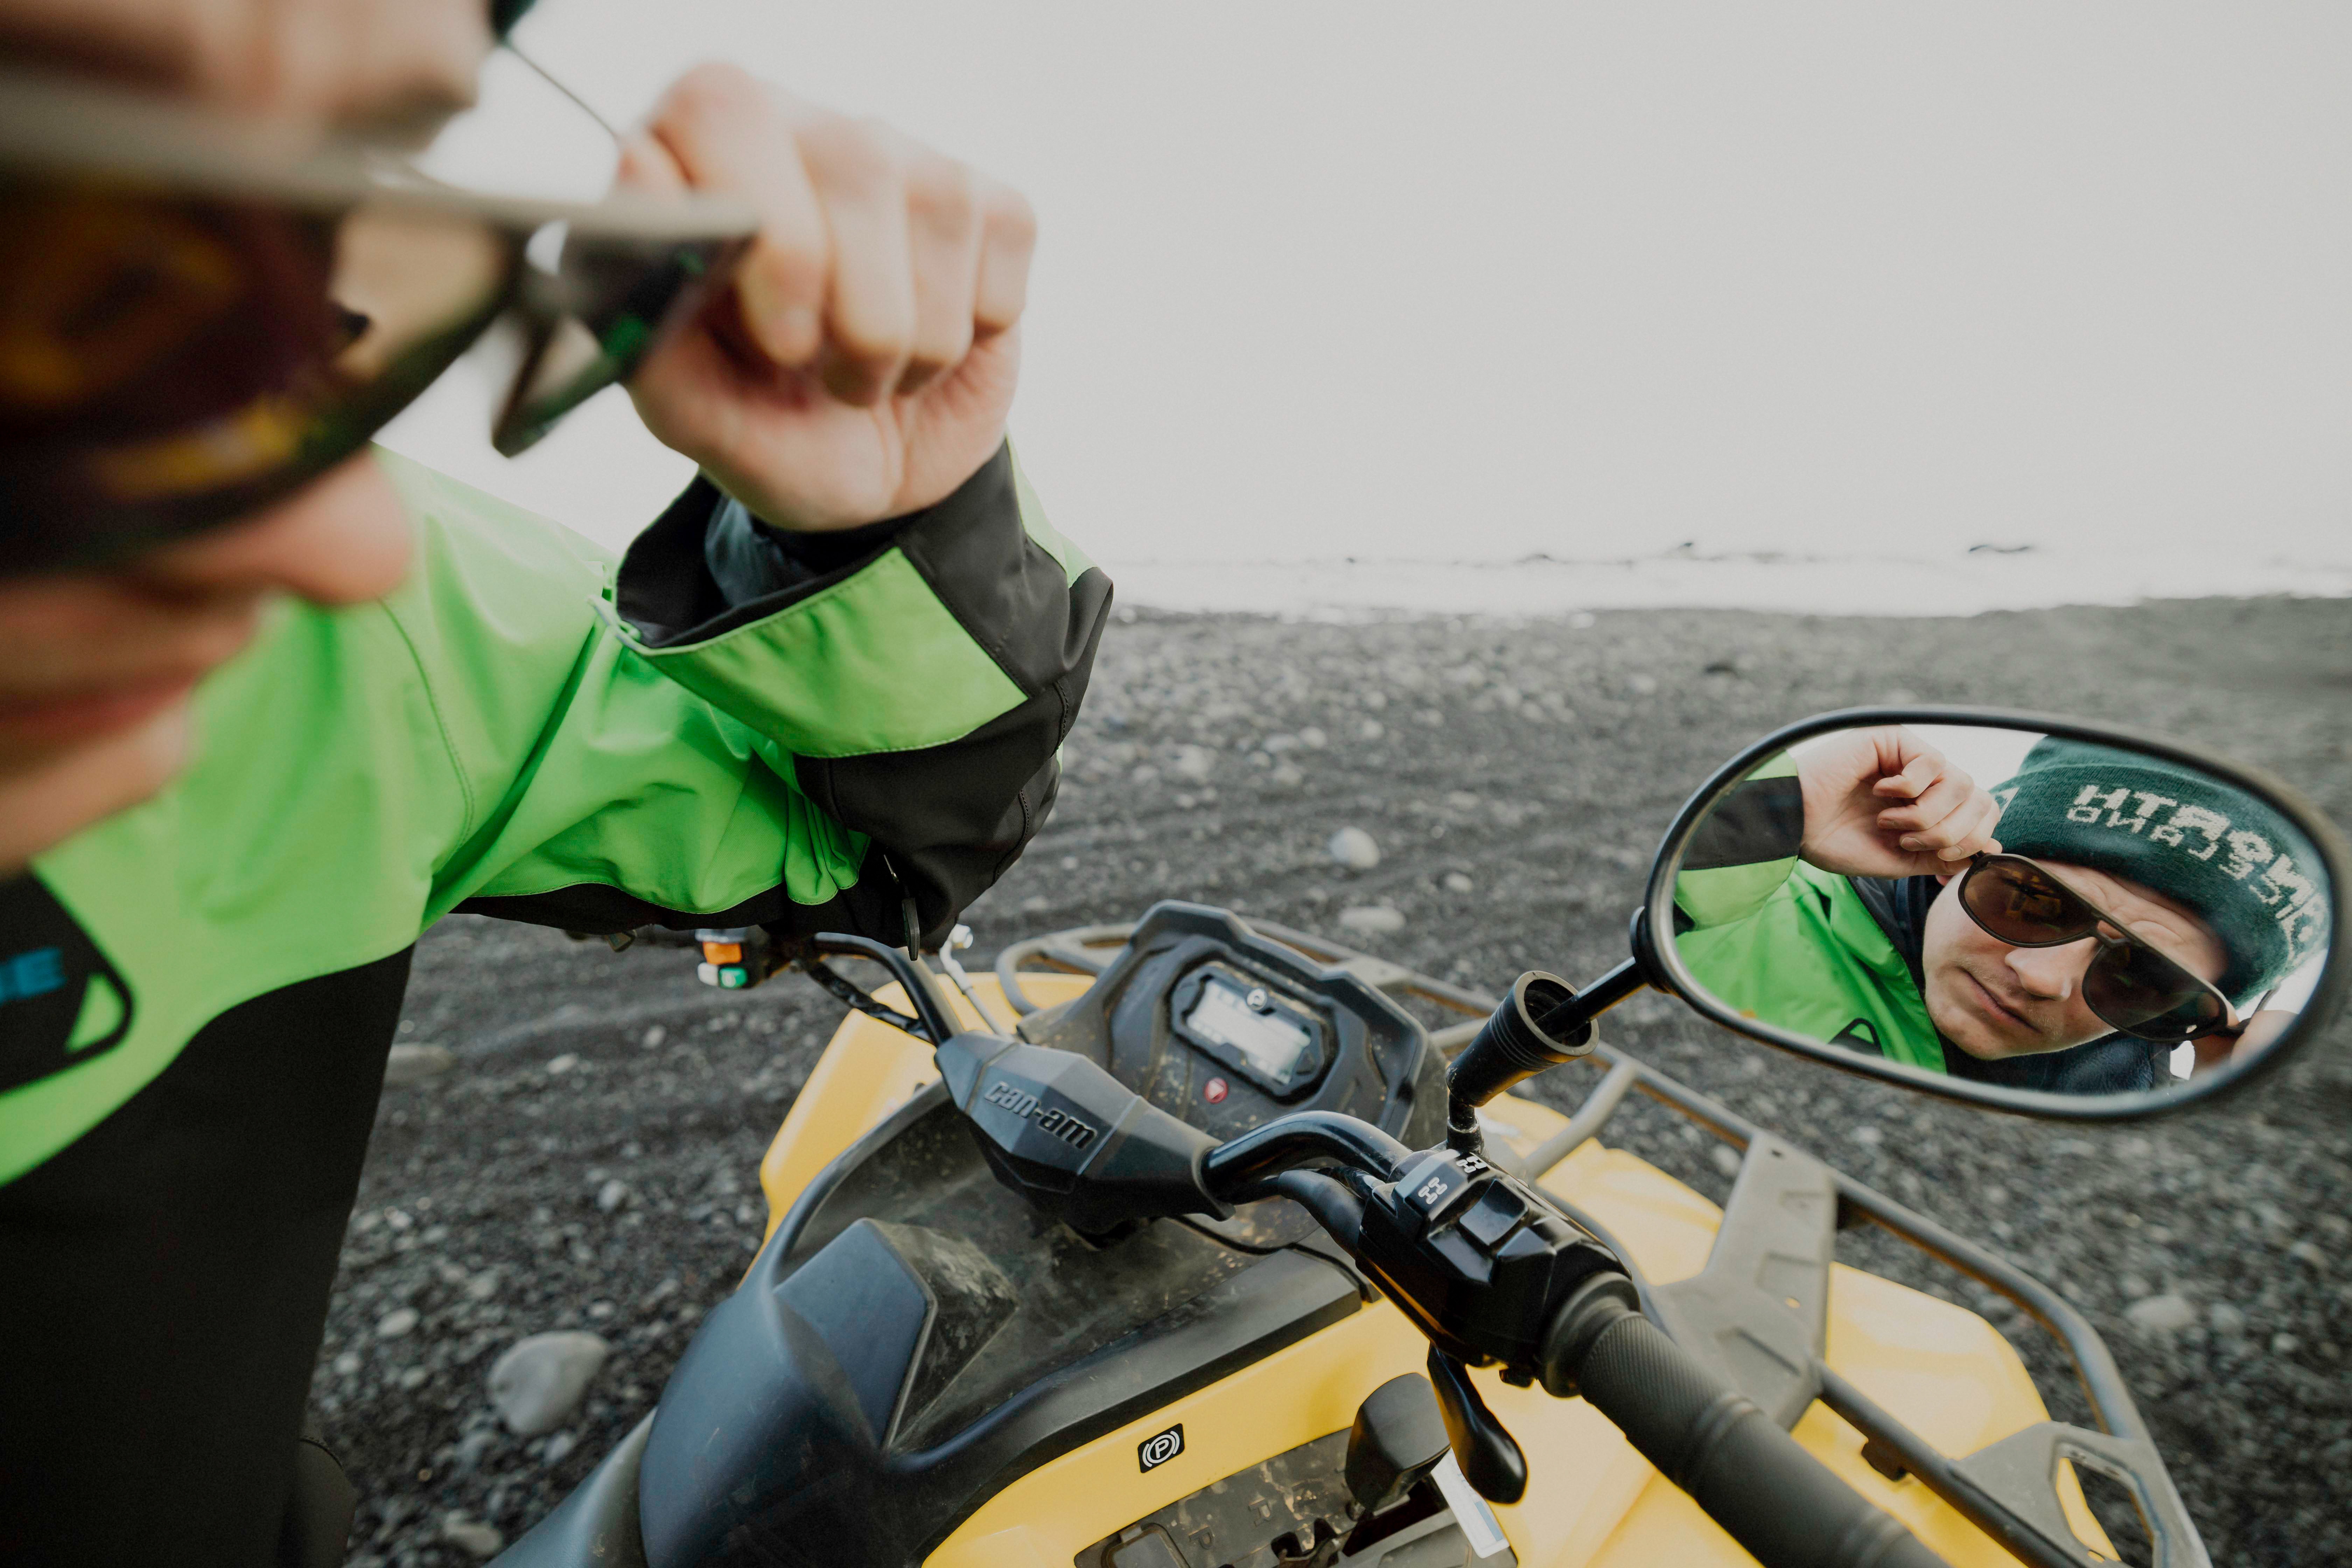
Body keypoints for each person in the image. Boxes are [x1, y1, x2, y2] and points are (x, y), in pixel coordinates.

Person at [0, 3, 1107, 1563]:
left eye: (342, 185)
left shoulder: (357, 634)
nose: (343, 542)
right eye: (88, 247)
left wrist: (883, 525)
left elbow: (845, 848)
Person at [1672, 727, 2327, 1094]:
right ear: (1962, 858)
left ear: (2185, 1017)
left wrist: (2213, 1107)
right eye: (2032, 902)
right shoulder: (1742, 906)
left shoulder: (2133, 1102)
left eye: (2145, 977)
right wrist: (1765, 823)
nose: (2042, 978)